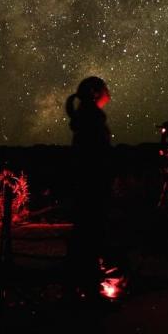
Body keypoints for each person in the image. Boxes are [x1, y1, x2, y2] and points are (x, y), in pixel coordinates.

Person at [65, 76, 113, 299]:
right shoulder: (91, 120)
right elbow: (97, 158)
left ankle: (81, 287)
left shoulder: (85, 118)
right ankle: (89, 292)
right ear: (95, 93)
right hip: (92, 189)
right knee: (92, 238)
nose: (108, 93)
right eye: (105, 89)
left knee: (85, 239)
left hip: (84, 189)